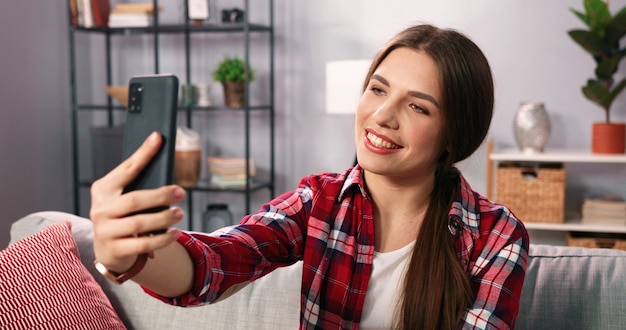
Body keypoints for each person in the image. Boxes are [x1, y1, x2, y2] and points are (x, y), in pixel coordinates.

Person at [91, 24, 529, 329]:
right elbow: (217, 261)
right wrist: (130, 255)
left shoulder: (496, 236)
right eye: (377, 89)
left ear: (454, 134)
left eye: (417, 106)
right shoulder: (318, 201)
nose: (381, 116)